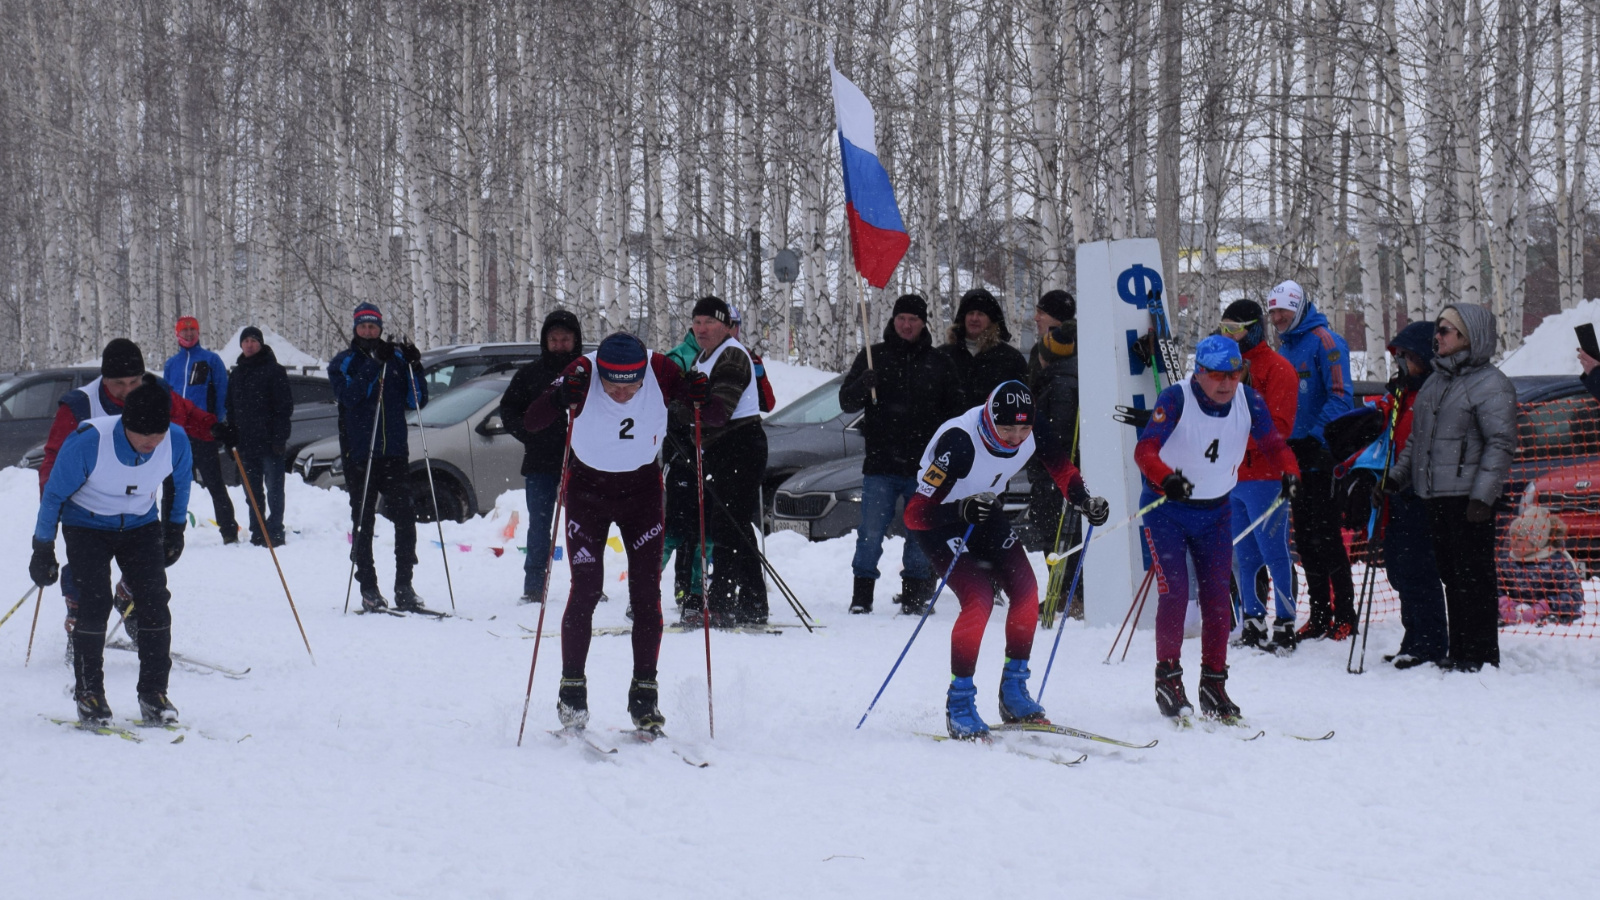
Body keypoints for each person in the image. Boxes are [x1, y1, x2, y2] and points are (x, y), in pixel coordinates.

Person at [521, 332, 713, 731]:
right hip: (587, 494)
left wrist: (700, 394)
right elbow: (531, 419)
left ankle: (645, 696)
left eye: (631, 387)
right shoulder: (583, 370)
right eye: (612, 388)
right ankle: (572, 690)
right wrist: (559, 398)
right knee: (587, 587)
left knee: (645, 593)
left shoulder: (660, 369)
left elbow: (711, 415)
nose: (622, 395)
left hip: (641, 495)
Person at [903, 380, 1108, 739]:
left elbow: (1063, 470)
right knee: (979, 599)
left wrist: (1084, 500)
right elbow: (915, 515)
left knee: (1028, 592)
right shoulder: (960, 442)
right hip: (941, 520)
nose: (1015, 438)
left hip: (983, 511)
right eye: (1006, 428)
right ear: (987, 415)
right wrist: (961, 508)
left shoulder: (1032, 429)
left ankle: (1013, 691)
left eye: (1023, 428)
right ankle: (960, 703)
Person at [1134, 336, 1300, 722]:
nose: (1226, 383)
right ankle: (1168, 678)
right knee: (1175, 592)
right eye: (1216, 375)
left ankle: (1213, 681)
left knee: (1218, 599)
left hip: (1216, 512)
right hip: (1168, 510)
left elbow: (1274, 443)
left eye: (1234, 374)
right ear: (1199, 372)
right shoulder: (1176, 399)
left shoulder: (1248, 399)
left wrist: (1290, 472)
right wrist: (1166, 478)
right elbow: (1145, 450)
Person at [40, 339, 218, 659]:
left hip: (137, 510)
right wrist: (50, 521)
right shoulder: (80, 405)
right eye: (118, 384)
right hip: (87, 512)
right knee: (89, 582)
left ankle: (128, 603)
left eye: (134, 381)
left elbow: (185, 416)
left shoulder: (153, 392)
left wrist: (216, 429)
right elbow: (53, 462)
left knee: (148, 574)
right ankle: (81, 626)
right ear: (104, 379)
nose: (128, 390)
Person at [31, 380, 193, 725]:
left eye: (158, 437)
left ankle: (154, 693)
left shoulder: (175, 440)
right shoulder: (89, 442)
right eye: (144, 438)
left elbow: (179, 483)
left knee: (153, 601)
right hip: (87, 525)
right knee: (94, 603)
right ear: (126, 426)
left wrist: (175, 528)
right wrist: (42, 547)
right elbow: (55, 496)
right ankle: (89, 693)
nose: (151, 446)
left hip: (140, 525)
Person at [1378, 304, 1516, 672]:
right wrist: (1394, 478)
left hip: (1469, 497)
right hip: (1434, 494)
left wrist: (1483, 495)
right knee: (1452, 576)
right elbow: (1416, 444)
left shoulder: (1491, 384)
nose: (1436, 337)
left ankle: (1481, 653)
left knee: (1475, 576)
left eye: (1445, 331)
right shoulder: (1435, 383)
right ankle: (1459, 650)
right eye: (1437, 330)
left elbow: (1500, 444)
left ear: (1468, 337)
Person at [837, 293, 963, 615]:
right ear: (893, 321)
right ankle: (861, 597)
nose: (907, 325)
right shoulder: (871, 357)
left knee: (920, 534)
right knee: (870, 533)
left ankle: (915, 597)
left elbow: (956, 414)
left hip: (925, 468)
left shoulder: (939, 363)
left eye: (913, 319)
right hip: (880, 464)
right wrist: (862, 386)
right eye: (901, 319)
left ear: (924, 324)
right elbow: (846, 403)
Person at [1266, 279, 1356, 640]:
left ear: (1299, 307)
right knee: (1304, 539)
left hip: (1321, 455)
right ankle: (1319, 614)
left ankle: (1345, 613)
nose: (1277, 318)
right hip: (1293, 458)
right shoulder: (1284, 348)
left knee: (1327, 536)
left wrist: (1316, 438)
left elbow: (1340, 395)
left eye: (1283, 311)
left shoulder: (1325, 341)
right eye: (1272, 312)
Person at [328, 302, 429, 612]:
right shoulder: (343, 362)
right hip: (360, 453)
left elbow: (418, 400)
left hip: (394, 452)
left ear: (381, 328)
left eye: (373, 326)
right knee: (363, 522)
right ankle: (368, 587)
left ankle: (404, 585)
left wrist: (415, 366)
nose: (369, 331)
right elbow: (349, 397)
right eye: (363, 326)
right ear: (355, 328)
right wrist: (373, 364)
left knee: (405, 517)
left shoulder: (395, 359)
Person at [1358, 322, 1448, 668]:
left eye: (1408, 357)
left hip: (1421, 493)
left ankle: (1430, 642)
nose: (1402, 364)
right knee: (1399, 570)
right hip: (1397, 486)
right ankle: (1413, 639)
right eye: (1400, 358)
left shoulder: (1430, 391)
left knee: (1418, 571)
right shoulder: (1402, 393)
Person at [1218, 299, 1300, 653]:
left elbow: (1280, 427)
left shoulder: (1278, 369)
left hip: (1265, 475)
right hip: (1234, 475)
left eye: (1234, 329)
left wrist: (1236, 432)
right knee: (1242, 554)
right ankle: (1252, 619)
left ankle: (1285, 622)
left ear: (1254, 328)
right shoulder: (1225, 369)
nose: (1229, 336)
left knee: (1273, 550)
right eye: (1223, 329)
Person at [684, 296, 769, 627]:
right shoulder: (702, 358)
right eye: (697, 322)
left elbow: (717, 412)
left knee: (727, 526)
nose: (702, 329)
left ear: (725, 326)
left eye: (709, 323)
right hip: (720, 449)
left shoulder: (732, 355)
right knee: (734, 525)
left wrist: (682, 412)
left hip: (740, 444)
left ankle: (721, 603)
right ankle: (752, 602)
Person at [500, 309, 584, 603]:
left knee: (583, 527)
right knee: (539, 526)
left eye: (565, 339)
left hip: (582, 463)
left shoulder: (587, 373)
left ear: (575, 340)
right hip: (540, 464)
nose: (560, 344)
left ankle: (586, 583)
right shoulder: (530, 375)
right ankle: (534, 584)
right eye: (554, 339)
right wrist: (530, 434)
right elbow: (508, 411)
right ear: (545, 341)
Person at [164, 316, 240, 544]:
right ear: (177, 334)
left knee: (214, 483)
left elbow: (221, 392)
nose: (188, 334)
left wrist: (215, 422)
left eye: (192, 330)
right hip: (176, 434)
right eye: (184, 330)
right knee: (172, 485)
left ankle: (228, 530)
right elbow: (167, 397)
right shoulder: (171, 364)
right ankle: (167, 532)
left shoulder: (211, 360)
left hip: (202, 432)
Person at [1023, 290, 1080, 559]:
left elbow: (1057, 422)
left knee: (1059, 530)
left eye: (1041, 312)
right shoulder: (1045, 351)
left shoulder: (1064, 363)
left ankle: (1072, 593)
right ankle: (1068, 591)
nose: (1036, 318)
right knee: (1054, 529)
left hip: (1059, 463)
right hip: (1053, 463)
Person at [224, 326, 293, 547]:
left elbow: (284, 408)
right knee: (252, 493)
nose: (249, 345)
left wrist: (279, 438)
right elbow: (231, 408)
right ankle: (258, 530)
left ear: (260, 344)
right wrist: (231, 437)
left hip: (270, 443)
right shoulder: (237, 373)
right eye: (246, 341)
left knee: (274, 490)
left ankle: (275, 530)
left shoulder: (274, 370)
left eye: (254, 341)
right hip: (245, 444)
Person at [941, 287, 1028, 410]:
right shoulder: (943, 356)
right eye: (970, 313)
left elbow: (1021, 404)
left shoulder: (1010, 359)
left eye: (980, 314)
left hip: (994, 428)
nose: (974, 318)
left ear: (991, 320)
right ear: (963, 317)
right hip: (952, 428)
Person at [1497, 507, 1583, 627]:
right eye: (1512, 537)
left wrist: (1546, 605)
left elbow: (1575, 596)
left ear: (1537, 542)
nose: (1514, 543)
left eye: (1521, 539)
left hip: (1548, 621)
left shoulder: (1557, 563)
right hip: (1515, 618)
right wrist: (1503, 603)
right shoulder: (1506, 561)